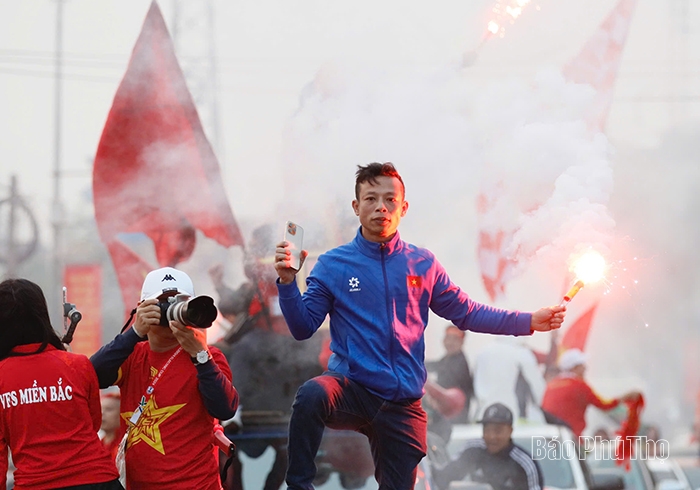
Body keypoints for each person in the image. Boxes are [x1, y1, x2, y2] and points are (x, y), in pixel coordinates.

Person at [273, 162, 567, 489]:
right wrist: (287, 283)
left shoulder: (422, 264)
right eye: (370, 199)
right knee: (313, 393)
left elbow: (467, 313)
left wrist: (528, 321)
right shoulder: (333, 264)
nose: (380, 207)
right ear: (356, 207)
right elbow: (302, 327)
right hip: (353, 389)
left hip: (402, 404)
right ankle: (299, 485)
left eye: (389, 199)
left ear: (403, 208)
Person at [90, 267, 239, 490]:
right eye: (162, 303)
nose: (172, 311)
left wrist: (200, 357)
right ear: (142, 309)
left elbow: (225, 408)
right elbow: (93, 375)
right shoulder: (132, 354)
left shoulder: (209, 356)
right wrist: (134, 332)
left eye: (180, 303)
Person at [210, 225, 323, 490]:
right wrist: (218, 282)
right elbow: (231, 304)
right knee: (234, 350)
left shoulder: (302, 272)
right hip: (263, 343)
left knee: (249, 348)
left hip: (295, 340)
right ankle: (232, 409)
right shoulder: (257, 283)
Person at [0, 278, 122, 489]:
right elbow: (92, 424)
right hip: (97, 481)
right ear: (41, 316)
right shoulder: (77, 364)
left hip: (37, 484)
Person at [431, 403, 543, 490]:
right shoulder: (472, 451)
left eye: (497, 431)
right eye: (487, 430)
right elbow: (442, 478)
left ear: (510, 431)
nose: (491, 436)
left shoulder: (524, 464)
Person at [541, 348, 640, 438]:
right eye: (582, 365)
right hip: (572, 439)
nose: (585, 368)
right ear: (574, 368)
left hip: (551, 438)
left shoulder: (551, 384)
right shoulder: (579, 385)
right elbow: (605, 405)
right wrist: (627, 396)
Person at [473, 336, 547, 424]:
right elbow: (538, 388)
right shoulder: (521, 353)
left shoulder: (482, 352)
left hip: (484, 416)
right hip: (517, 419)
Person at [424, 325, 474, 443]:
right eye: (448, 338)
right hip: (445, 418)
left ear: (462, 342)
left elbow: (441, 383)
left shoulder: (460, 362)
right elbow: (435, 366)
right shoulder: (447, 359)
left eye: (454, 339)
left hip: (455, 420)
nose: (450, 343)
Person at [99, 390, 123, 462]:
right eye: (101, 409)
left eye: (109, 409)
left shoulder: (126, 445)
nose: (102, 413)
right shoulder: (99, 444)